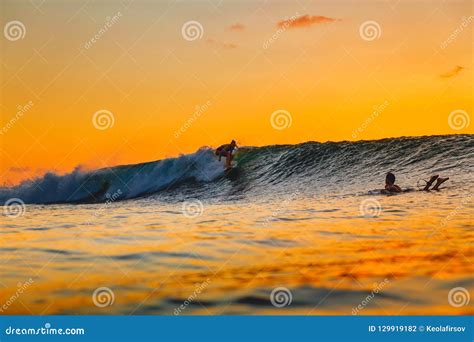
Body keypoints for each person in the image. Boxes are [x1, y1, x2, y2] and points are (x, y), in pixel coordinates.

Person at [385, 172, 449, 193]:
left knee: (426, 190)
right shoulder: (396, 186)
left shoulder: (389, 187)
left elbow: (390, 189)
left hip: (406, 192)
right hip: (407, 191)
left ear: (387, 180)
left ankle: (433, 181)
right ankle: (438, 182)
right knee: (426, 190)